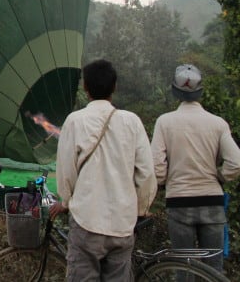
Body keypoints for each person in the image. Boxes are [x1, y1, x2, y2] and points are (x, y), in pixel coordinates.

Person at [50, 59, 157, 281]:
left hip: (86, 220)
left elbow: (66, 171)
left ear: (85, 88)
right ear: (114, 87)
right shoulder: (132, 122)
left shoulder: (74, 121)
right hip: (122, 224)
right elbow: (146, 173)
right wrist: (141, 208)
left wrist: (66, 201)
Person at [150, 64, 240, 274]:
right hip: (212, 201)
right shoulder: (218, 123)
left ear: (175, 91)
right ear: (200, 91)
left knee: (184, 268)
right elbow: (236, 162)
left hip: (179, 201)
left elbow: (157, 166)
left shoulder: (164, 122)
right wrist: (219, 176)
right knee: (214, 269)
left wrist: (165, 181)